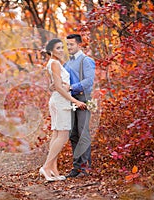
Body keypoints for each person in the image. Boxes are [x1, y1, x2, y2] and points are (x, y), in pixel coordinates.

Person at [39, 38, 86, 181]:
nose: (61, 50)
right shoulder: (54, 63)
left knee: (56, 133)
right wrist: (75, 101)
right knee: (63, 135)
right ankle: (46, 167)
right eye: (58, 48)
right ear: (51, 50)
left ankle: (53, 168)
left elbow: (54, 85)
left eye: (62, 48)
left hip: (57, 100)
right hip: (61, 102)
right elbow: (59, 88)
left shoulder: (54, 63)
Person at [63, 34, 96, 178]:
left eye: (71, 44)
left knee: (83, 132)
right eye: (67, 44)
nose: (69, 47)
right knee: (73, 134)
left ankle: (85, 168)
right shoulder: (66, 64)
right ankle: (76, 168)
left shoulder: (86, 61)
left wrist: (71, 87)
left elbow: (89, 81)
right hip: (70, 99)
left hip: (83, 98)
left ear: (79, 45)